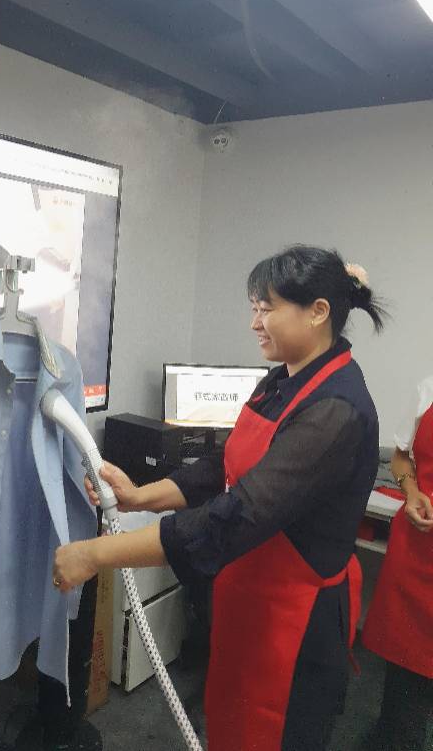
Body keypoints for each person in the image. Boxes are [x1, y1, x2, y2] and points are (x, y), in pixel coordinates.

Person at [53, 245, 386, 751]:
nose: (255, 323)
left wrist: (96, 554)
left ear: (318, 311)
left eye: (267, 309)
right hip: (249, 600)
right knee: (232, 722)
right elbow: (223, 465)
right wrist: (139, 497)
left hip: (293, 621)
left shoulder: (335, 410)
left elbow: (234, 517)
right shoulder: (284, 377)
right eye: (254, 308)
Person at [361, 377, 433, 751]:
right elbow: (401, 457)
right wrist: (412, 490)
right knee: (403, 669)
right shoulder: (429, 388)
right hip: (418, 546)